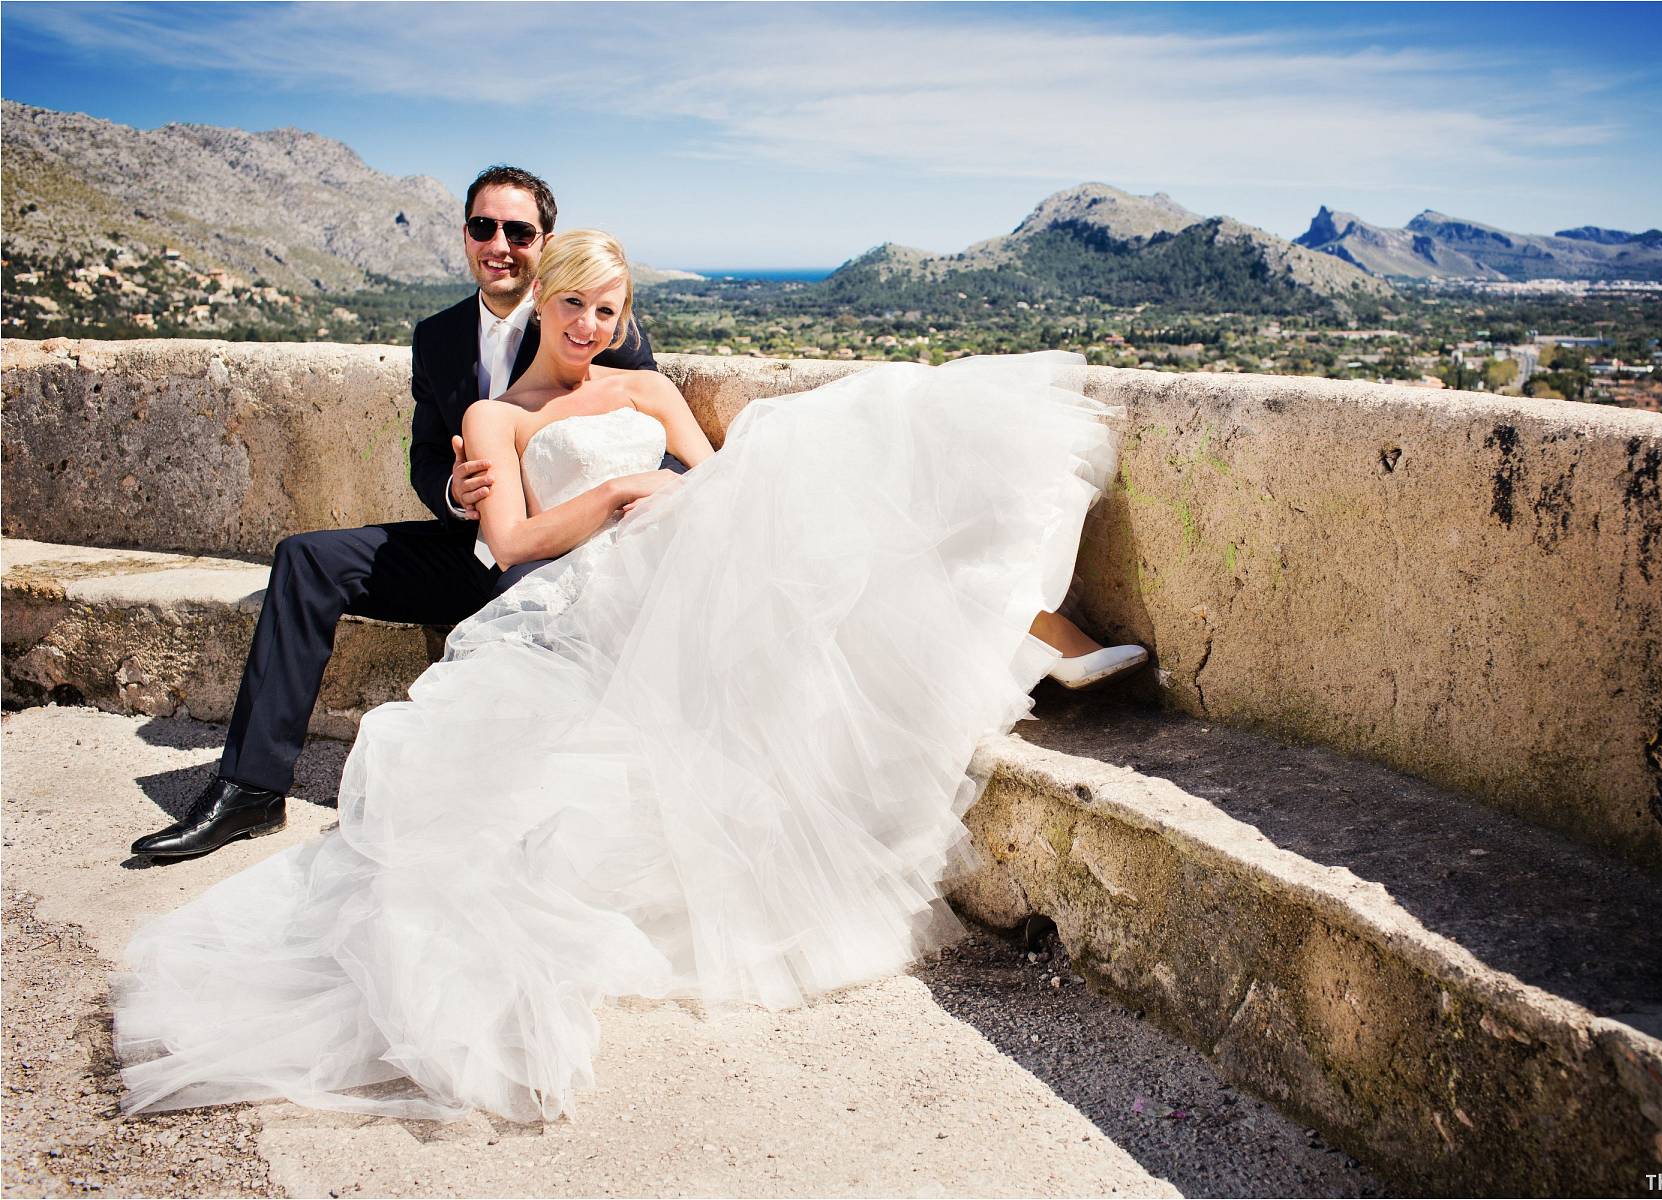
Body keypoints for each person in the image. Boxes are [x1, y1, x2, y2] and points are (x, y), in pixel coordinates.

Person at [114, 229, 1148, 1123]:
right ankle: (1030, 635)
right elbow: (513, 541)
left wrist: (675, 492)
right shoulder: (498, 420)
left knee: (827, 468)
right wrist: (614, 493)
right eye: (573, 304)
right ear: (540, 300)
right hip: (581, 589)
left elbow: (717, 482)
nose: (590, 324)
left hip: (679, 554)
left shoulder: (651, 387)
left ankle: (1031, 627)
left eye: (608, 309)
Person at [128, 166, 679, 862]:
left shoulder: (596, 321)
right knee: (305, 557)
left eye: (519, 231)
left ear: (545, 243)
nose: (500, 244)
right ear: (467, 236)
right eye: (485, 228)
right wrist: (455, 490)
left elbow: (654, 443)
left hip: (571, 565)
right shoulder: (438, 335)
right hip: (475, 546)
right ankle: (250, 790)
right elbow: (423, 455)